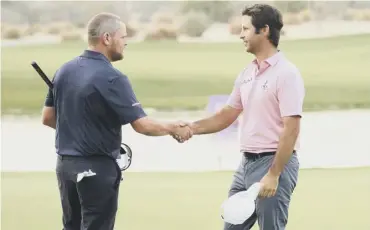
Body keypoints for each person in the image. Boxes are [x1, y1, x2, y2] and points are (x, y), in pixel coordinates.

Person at [41, 12, 192, 230]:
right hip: (97, 169)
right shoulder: (113, 77)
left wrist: (81, 126)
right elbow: (143, 125)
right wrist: (172, 127)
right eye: (123, 37)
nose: (126, 42)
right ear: (107, 38)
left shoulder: (64, 70)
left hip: (65, 167)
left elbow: (48, 118)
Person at [174, 4, 305, 230]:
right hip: (246, 165)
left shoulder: (287, 73)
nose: (241, 35)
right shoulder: (247, 73)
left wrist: (274, 174)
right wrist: (192, 127)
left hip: (273, 163)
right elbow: (227, 115)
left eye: (245, 29)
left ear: (264, 30)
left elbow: (291, 128)